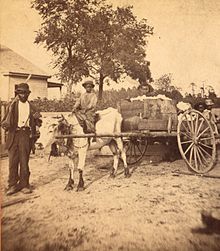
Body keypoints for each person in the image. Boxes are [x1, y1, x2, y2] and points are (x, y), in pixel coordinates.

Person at [1, 83, 42, 195]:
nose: (23, 95)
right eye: (21, 93)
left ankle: (24, 185)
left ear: (28, 94)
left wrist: (37, 120)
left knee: (24, 161)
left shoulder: (32, 107)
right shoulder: (12, 106)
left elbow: (39, 123)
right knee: (12, 161)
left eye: (25, 93)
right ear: (18, 94)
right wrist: (6, 125)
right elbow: (4, 122)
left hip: (25, 134)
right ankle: (12, 185)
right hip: (14, 134)